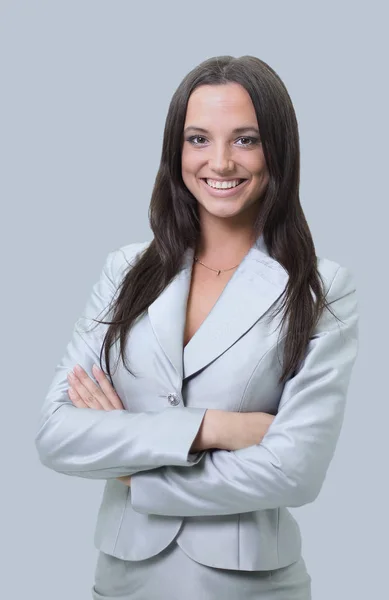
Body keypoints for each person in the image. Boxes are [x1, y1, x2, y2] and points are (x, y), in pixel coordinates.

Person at [35, 55, 359, 599]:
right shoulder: (125, 270)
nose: (222, 162)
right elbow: (56, 434)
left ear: (278, 148)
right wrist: (217, 428)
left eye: (246, 139)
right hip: (123, 583)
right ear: (176, 150)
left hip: (251, 587)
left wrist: (132, 469)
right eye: (199, 139)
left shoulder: (321, 287)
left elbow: (294, 472)